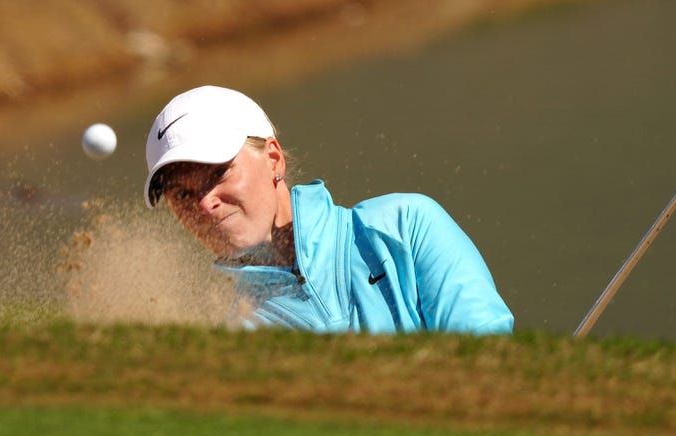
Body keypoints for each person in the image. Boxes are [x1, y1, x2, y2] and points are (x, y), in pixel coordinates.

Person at [144, 85, 513, 335]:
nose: (205, 203)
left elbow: (486, 360)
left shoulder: (405, 228)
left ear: (273, 159)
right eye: (183, 196)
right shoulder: (239, 344)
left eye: (219, 173)